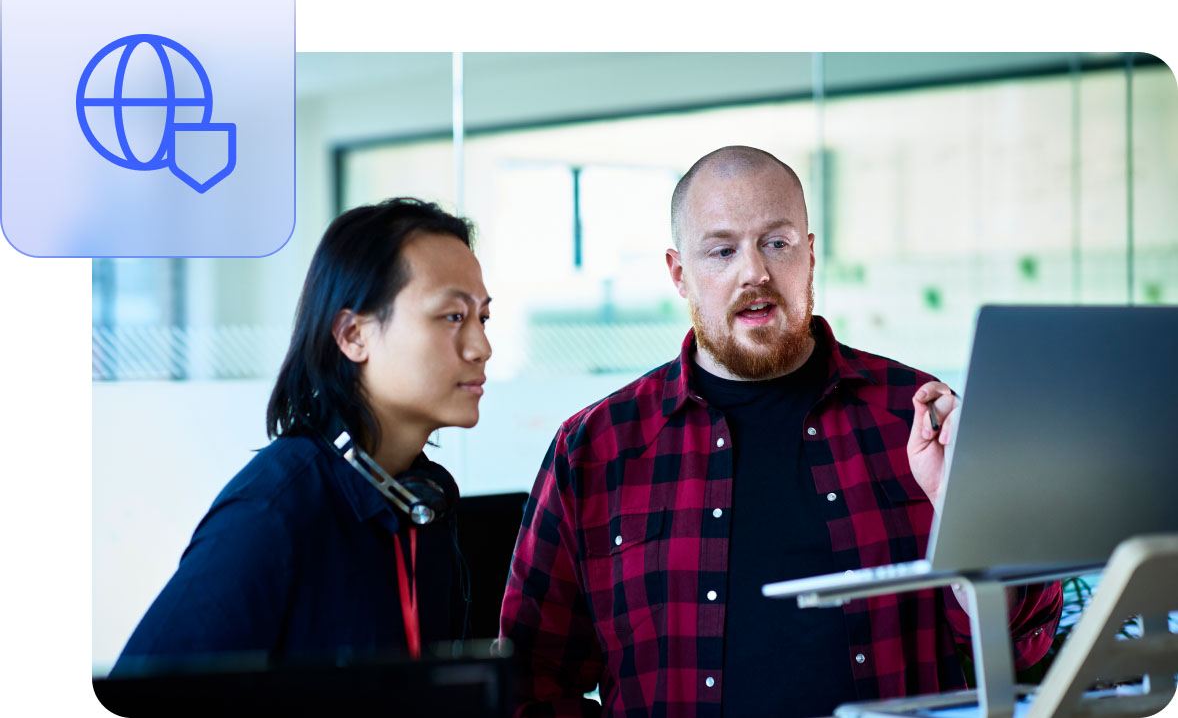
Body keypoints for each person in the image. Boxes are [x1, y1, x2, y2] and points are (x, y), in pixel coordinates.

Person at [498, 147, 1062, 717]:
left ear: (809, 255)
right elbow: (531, 682)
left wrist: (958, 510)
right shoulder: (595, 449)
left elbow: (1024, 647)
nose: (755, 272)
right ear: (679, 274)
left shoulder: (920, 419)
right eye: (722, 250)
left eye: (777, 243)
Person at [113, 197, 492, 673]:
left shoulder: (421, 502)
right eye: (452, 317)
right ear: (353, 335)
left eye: (483, 318)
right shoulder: (272, 512)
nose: (482, 347)